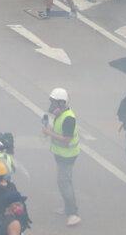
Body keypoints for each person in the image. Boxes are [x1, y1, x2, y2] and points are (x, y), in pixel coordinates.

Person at [43, 87, 81, 227]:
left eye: (54, 103)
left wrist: (49, 133)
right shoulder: (61, 115)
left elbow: (66, 139)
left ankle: (73, 214)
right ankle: (67, 208)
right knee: (64, 182)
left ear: (61, 103)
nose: (52, 106)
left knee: (64, 183)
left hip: (68, 155)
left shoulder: (68, 118)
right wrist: (49, 128)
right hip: (61, 154)